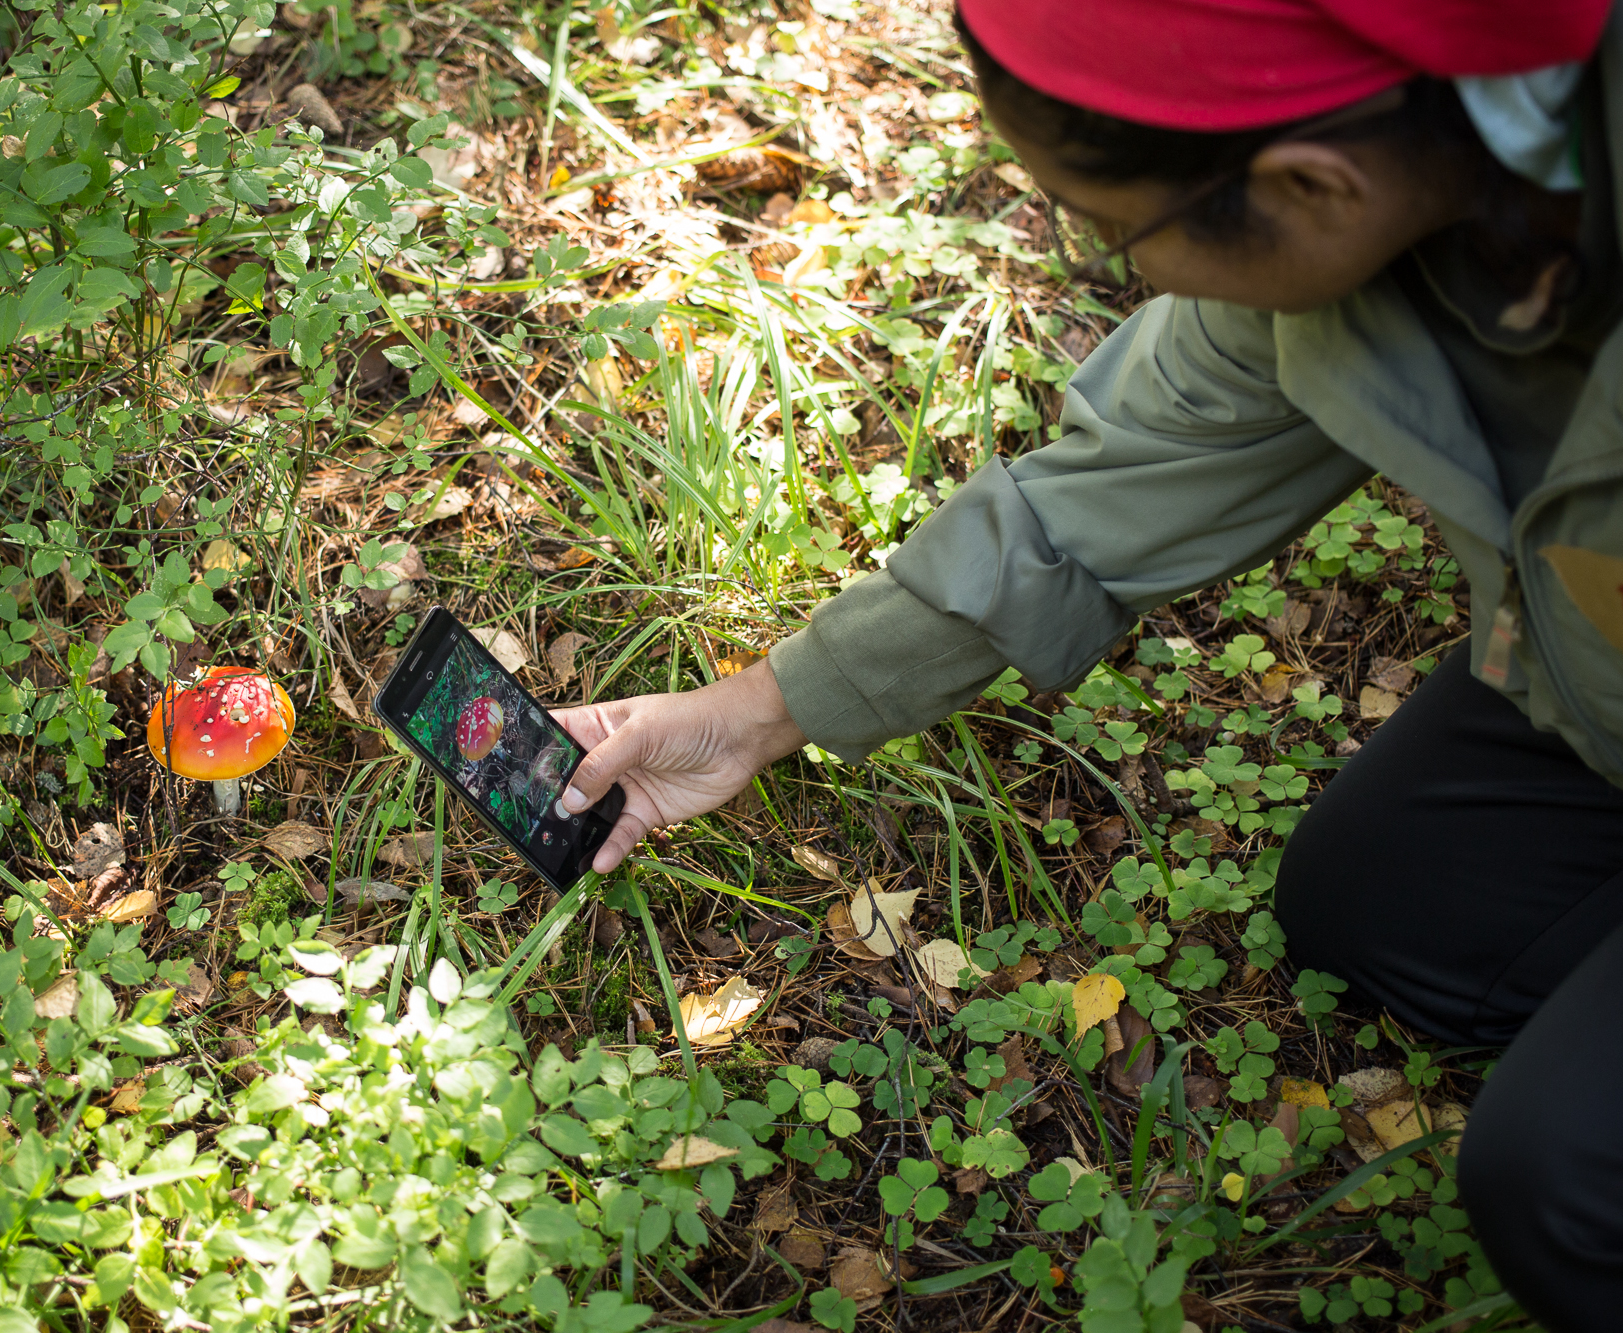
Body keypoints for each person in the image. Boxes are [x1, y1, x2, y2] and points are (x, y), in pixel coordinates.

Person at [553, 1, 1623, 1327]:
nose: (1135, 280)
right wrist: (762, 708)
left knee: (1564, 1184)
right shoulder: (1392, 219)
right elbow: (1096, 500)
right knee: (1380, 909)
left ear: (1309, 184)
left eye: (1116, 229)